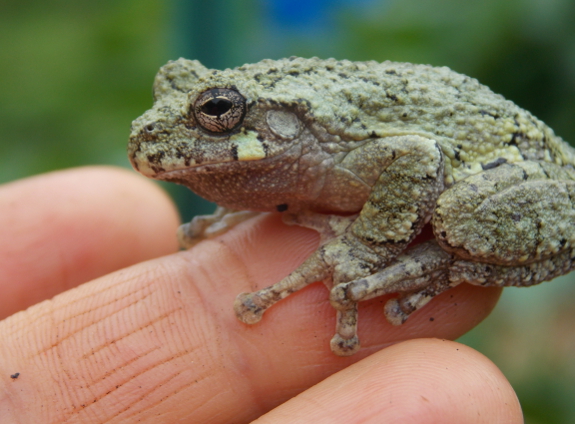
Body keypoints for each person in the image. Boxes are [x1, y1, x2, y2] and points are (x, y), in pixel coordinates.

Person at [0, 166, 522, 423]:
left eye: (217, 113)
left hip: (508, 173)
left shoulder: (339, 143)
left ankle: (448, 261)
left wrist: (361, 249)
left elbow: (417, 159)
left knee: (458, 221)